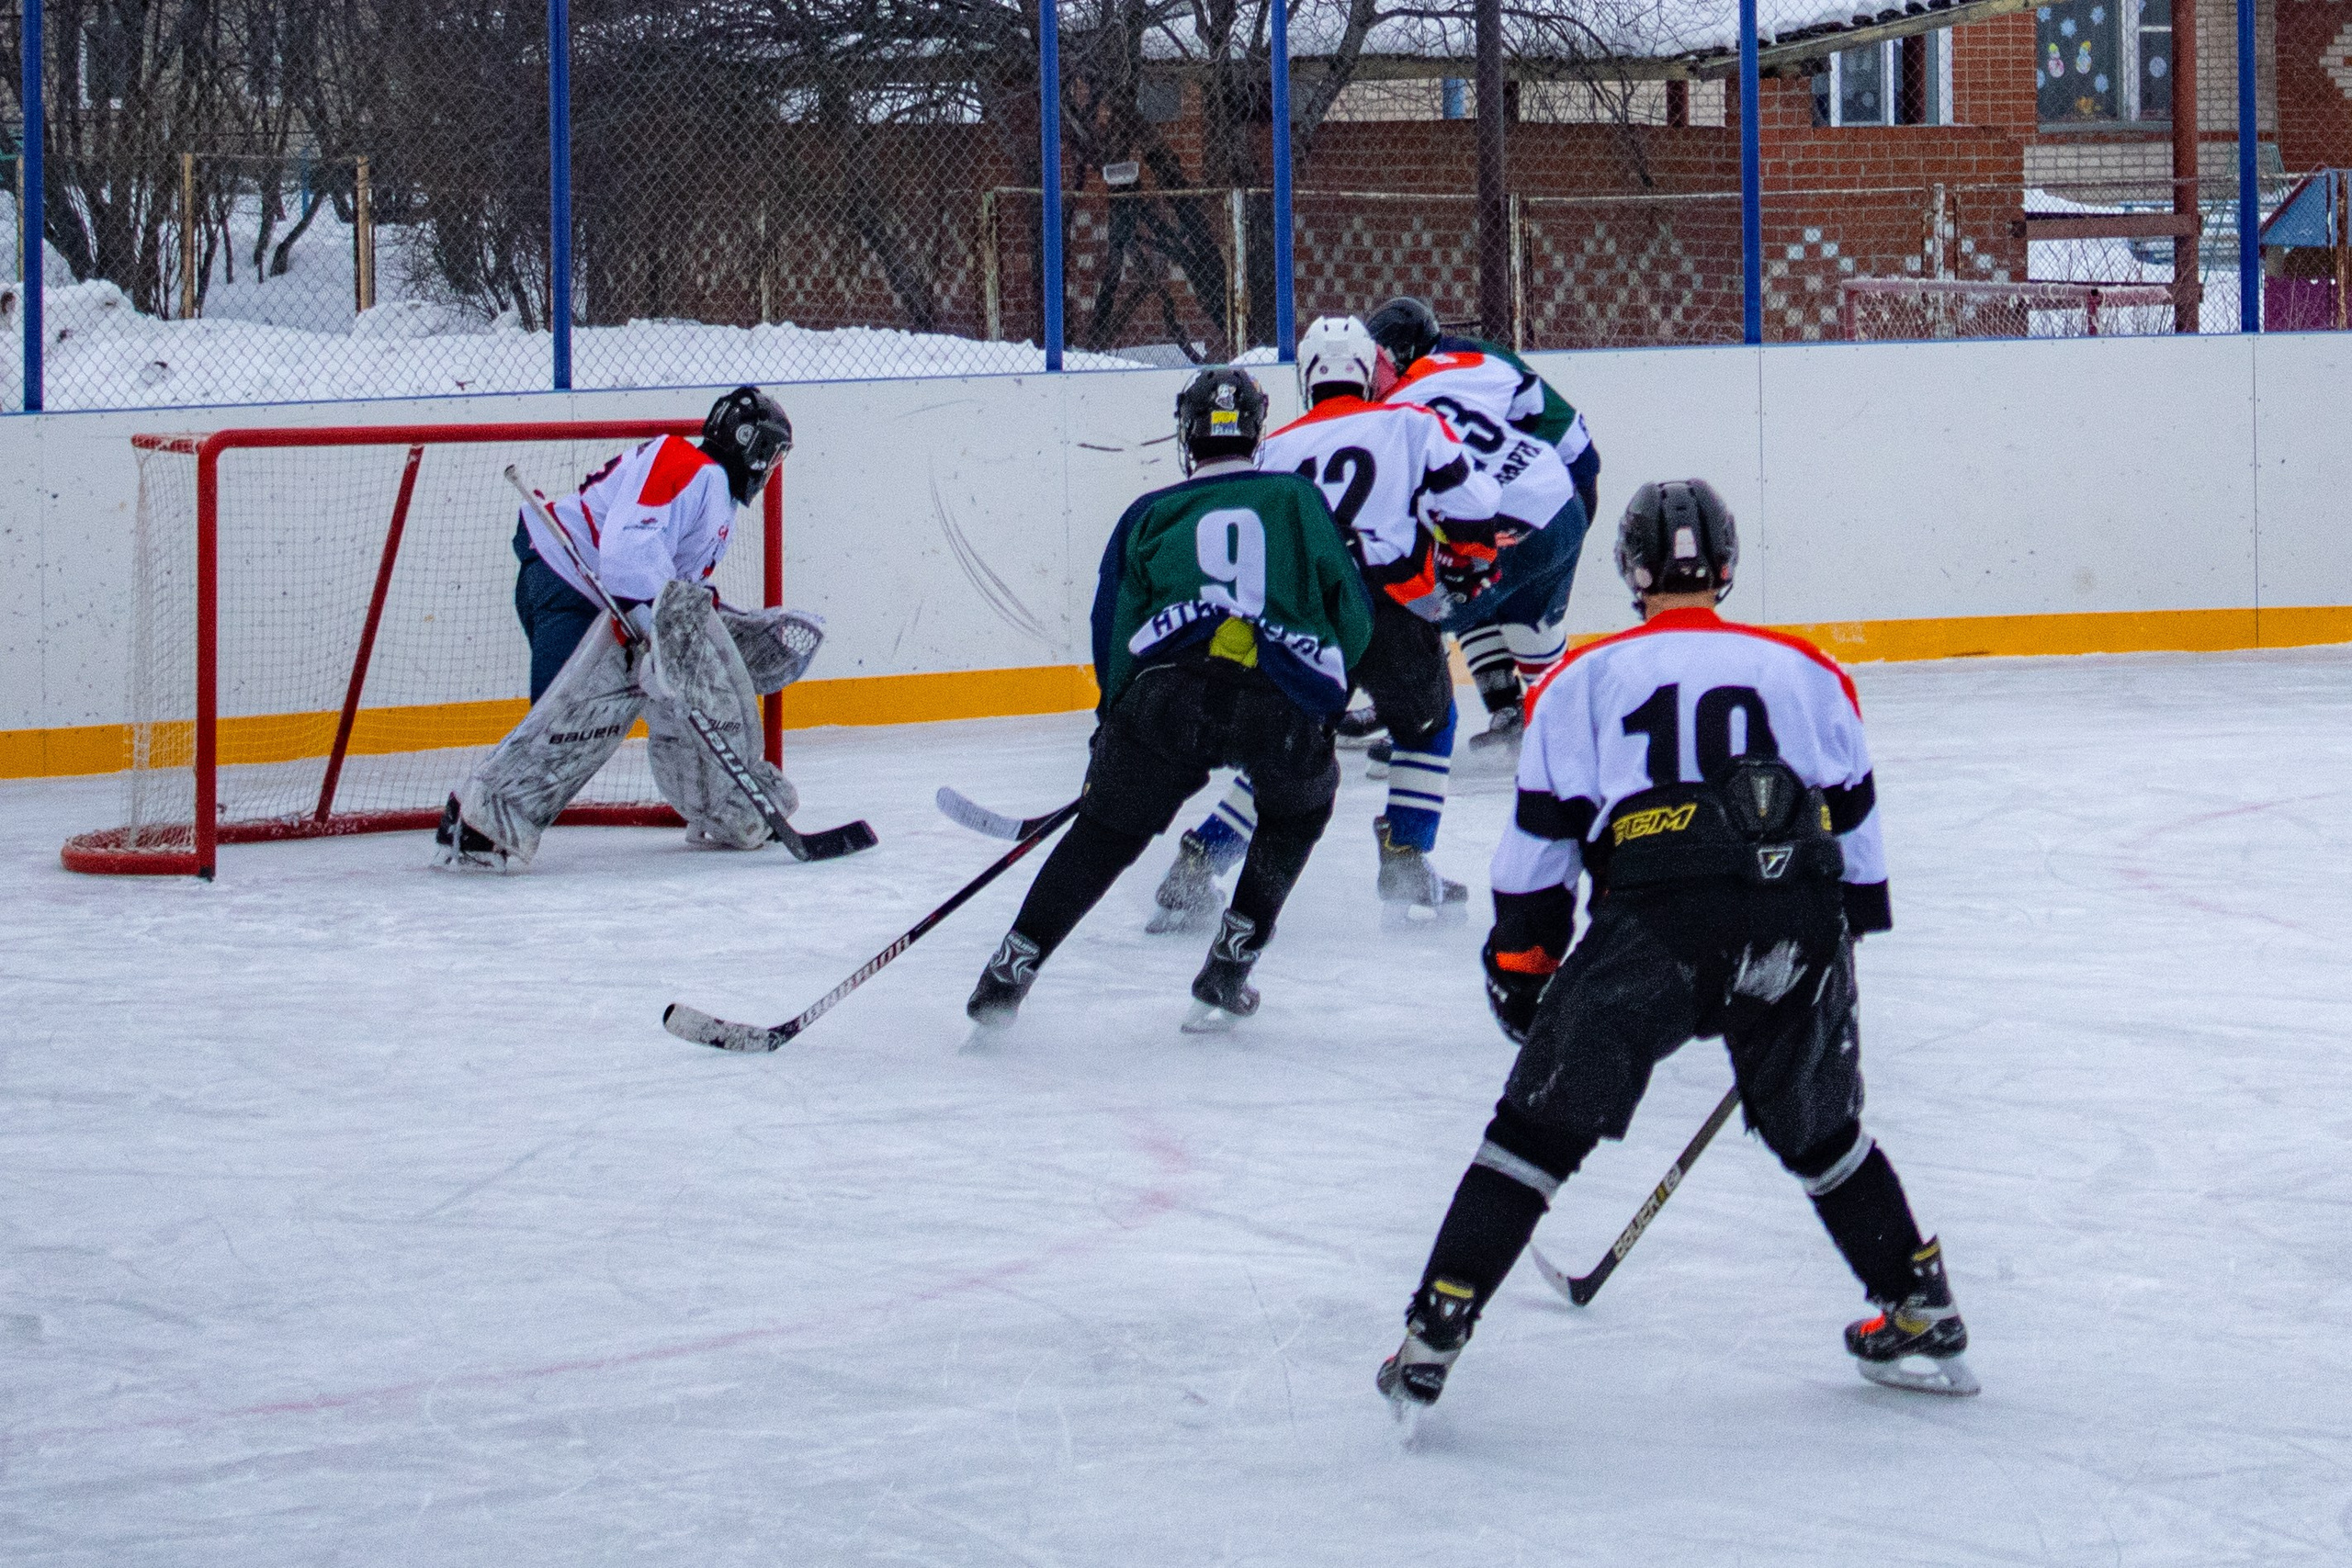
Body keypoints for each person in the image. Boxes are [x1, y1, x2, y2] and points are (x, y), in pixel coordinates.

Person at [1378, 478, 1975, 1415]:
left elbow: (1537, 855)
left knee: (1536, 1128)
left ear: (1631, 570)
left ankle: (1436, 1327)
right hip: (1795, 919)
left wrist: (1524, 967)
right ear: (1726, 568)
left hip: (1657, 921)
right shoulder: (1808, 671)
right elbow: (1854, 824)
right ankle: (1915, 1300)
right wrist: (1833, 946)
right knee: (1820, 1128)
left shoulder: (1578, 681)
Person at [966, 366, 1374, 1032]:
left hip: (1167, 698)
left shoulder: (1147, 513)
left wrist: (1112, 726)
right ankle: (1228, 968)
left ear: (1187, 432)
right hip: (1280, 696)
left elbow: (1113, 629)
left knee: (1102, 835)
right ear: (1256, 428)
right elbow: (1352, 613)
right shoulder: (1298, 499)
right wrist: (1326, 705)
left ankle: (1008, 973)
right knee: (1298, 808)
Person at [1147, 315, 1503, 931]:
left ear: (1308, 377)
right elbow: (1477, 507)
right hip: (1389, 608)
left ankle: (1201, 858)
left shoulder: (1276, 447)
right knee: (1428, 722)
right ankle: (1405, 855)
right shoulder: (1413, 423)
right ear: (1367, 371)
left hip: (1306, 617)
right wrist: (1466, 559)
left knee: (1292, 754)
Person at [433, 386, 822, 870]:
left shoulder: (715, 496)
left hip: (600, 595)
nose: (770, 465)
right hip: (568, 580)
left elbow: (677, 587)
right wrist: (656, 633)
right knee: (570, 714)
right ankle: (474, 824)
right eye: (769, 451)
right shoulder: (681, 460)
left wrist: (715, 627)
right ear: (748, 443)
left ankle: (727, 808)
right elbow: (627, 550)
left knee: (594, 708)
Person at [1364, 297, 1602, 760]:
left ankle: (1413, 720)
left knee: (1436, 595)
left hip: (1509, 516)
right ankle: (1553, 722)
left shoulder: (1401, 399)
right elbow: (1552, 422)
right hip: (1559, 497)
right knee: (1520, 611)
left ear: (1400, 353)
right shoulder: (1477, 360)